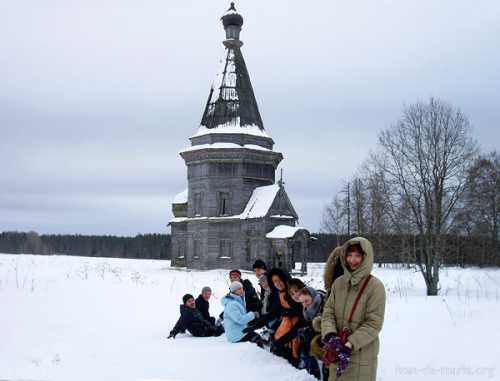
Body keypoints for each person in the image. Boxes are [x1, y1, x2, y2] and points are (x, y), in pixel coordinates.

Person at [321, 237, 386, 381]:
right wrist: (331, 337)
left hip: (361, 356)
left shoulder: (375, 287)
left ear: (366, 257)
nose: (353, 260)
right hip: (337, 351)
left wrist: (350, 344)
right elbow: (328, 312)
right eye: (349, 255)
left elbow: (373, 324)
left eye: (357, 255)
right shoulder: (338, 283)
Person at [267, 268, 304, 367]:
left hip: (298, 325)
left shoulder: (293, 290)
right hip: (287, 322)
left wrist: (289, 313)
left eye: (279, 280)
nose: (278, 283)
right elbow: (274, 311)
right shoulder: (279, 294)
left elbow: (301, 311)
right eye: (275, 281)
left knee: (293, 344)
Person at [221, 281, 263, 346]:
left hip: (239, 331)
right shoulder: (232, 304)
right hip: (236, 335)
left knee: (256, 335)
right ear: (233, 291)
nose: (242, 290)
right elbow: (240, 320)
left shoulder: (238, 300)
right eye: (239, 289)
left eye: (242, 288)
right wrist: (253, 314)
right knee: (257, 338)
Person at [297, 286, 326, 379]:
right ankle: (311, 368)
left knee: (309, 340)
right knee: (303, 337)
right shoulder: (307, 309)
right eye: (302, 302)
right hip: (317, 330)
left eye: (306, 301)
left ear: (313, 297)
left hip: (328, 333)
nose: (304, 305)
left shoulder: (324, 304)